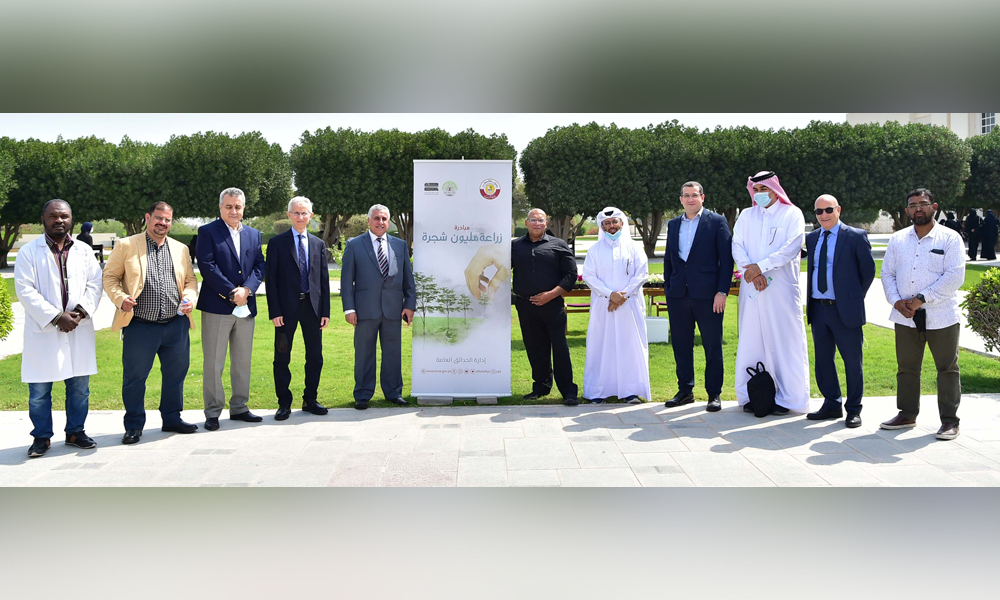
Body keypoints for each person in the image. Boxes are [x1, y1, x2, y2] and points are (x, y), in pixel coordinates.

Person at [103, 202, 199, 445]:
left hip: (175, 325)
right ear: (148, 217)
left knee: (176, 375)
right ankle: (134, 425)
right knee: (135, 378)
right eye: (158, 218)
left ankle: (172, 418)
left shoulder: (180, 249)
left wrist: (189, 298)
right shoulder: (126, 245)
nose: (162, 223)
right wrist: (121, 299)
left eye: (167, 220)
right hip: (140, 326)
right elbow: (110, 277)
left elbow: (190, 280)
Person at [15, 200, 103, 457]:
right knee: (39, 392)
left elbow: (95, 283)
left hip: (78, 327)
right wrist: (56, 317)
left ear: (71, 219)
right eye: (53, 216)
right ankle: (41, 437)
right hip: (44, 331)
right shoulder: (29, 252)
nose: (59, 220)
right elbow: (25, 289)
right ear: (43, 219)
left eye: (64, 216)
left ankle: (75, 432)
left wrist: (80, 313)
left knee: (80, 388)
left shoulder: (84, 251)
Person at [880, 189, 966, 440]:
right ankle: (907, 414)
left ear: (934, 207)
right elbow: (887, 273)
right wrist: (897, 302)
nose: (918, 208)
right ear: (907, 210)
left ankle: (949, 420)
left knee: (947, 368)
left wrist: (921, 299)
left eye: (923, 203)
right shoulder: (898, 239)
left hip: (941, 315)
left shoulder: (950, 238)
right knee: (907, 368)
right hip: (905, 316)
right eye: (913, 205)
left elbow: (954, 276)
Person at [732, 171, 811, 415]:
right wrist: (752, 272)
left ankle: (789, 399)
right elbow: (737, 245)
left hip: (781, 290)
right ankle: (751, 396)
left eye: (763, 189)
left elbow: (792, 247)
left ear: (775, 189)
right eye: (755, 190)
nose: (759, 194)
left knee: (784, 343)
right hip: (751, 288)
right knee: (750, 341)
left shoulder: (792, 213)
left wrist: (761, 267)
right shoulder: (746, 215)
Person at [195, 187, 266, 431]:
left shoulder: (254, 234)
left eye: (238, 206)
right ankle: (213, 411)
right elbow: (207, 265)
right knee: (214, 362)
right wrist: (232, 292)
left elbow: (260, 266)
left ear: (243, 208)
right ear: (220, 208)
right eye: (229, 206)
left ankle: (239, 407)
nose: (233, 211)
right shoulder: (207, 232)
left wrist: (246, 290)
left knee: (242, 361)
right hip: (217, 307)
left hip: (245, 307)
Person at [804, 195, 876, 428]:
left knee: (852, 363)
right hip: (818, 309)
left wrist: (852, 298)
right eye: (819, 211)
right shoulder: (812, 238)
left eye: (828, 210)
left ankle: (853, 409)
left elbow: (868, 271)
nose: (824, 215)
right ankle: (831, 404)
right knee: (823, 361)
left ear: (838, 210)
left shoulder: (855, 236)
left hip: (845, 310)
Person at [662, 182, 733, 412]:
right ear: (681, 199)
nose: (690, 199)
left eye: (694, 195)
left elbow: (726, 260)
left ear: (702, 197)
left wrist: (722, 292)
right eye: (686, 195)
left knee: (712, 346)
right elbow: (669, 259)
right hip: (678, 295)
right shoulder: (673, 224)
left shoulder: (716, 222)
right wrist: (669, 286)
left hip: (709, 296)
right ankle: (685, 391)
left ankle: (714, 394)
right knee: (681, 345)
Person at [341, 204, 415, 410]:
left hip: (393, 310)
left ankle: (394, 393)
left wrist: (409, 304)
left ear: (388, 221)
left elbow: (408, 278)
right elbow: (346, 281)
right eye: (376, 218)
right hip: (364, 311)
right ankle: (363, 394)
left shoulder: (400, 245)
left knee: (393, 354)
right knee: (364, 354)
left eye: (384, 219)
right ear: (368, 221)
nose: (380, 222)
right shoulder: (354, 245)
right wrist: (349, 309)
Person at [265, 196, 331, 419]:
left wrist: (325, 311)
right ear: (289, 215)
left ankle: (310, 399)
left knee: (315, 357)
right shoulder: (277, 243)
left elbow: (323, 280)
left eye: (304, 213)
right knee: (282, 357)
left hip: (312, 310)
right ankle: (284, 403)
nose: (300, 217)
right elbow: (271, 280)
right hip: (285, 312)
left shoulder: (318, 244)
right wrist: (275, 311)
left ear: (310, 216)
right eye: (296, 213)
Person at [581, 207, 650, 404]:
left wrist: (622, 295)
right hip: (604, 306)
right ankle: (598, 392)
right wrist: (610, 294)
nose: (611, 226)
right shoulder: (594, 250)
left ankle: (630, 391)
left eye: (614, 222)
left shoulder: (635, 247)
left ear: (621, 223)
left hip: (629, 306)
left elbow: (641, 274)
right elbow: (589, 276)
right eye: (607, 223)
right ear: (602, 226)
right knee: (601, 347)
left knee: (629, 347)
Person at [511, 209, 579, 405]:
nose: (536, 223)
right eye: (532, 220)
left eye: (540, 220)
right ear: (526, 222)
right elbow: (502, 270)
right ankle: (540, 387)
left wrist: (550, 295)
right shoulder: (515, 246)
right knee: (535, 348)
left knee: (560, 348)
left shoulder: (559, 245)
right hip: (525, 306)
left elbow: (571, 274)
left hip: (552, 305)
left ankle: (568, 391)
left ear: (546, 223)